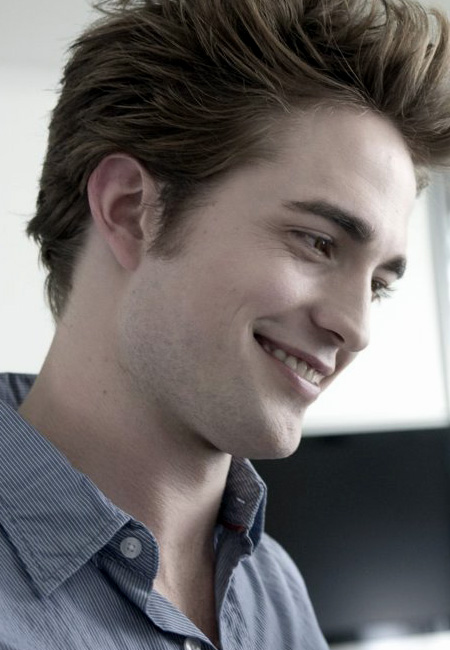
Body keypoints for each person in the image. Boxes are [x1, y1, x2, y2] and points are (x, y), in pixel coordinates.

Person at [1, 0, 450, 648]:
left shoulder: (275, 591)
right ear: (130, 210)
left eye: (377, 285)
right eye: (317, 242)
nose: (356, 329)